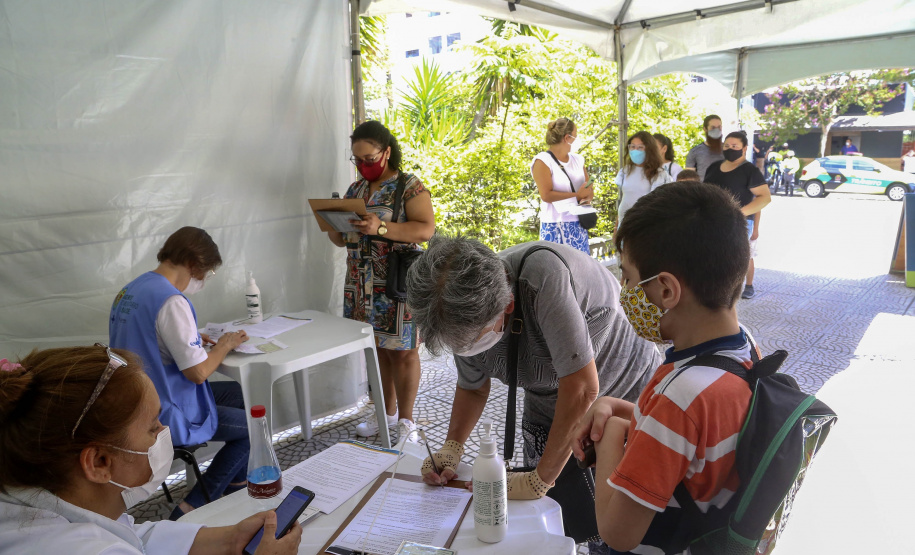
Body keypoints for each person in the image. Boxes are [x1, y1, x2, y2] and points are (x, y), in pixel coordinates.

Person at [571, 182, 756, 554]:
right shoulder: (744, 350)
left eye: (628, 277)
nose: (624, 289)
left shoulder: (679, 395)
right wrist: (613, 405)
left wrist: (613, 433)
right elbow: (694, 440)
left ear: (667, 291)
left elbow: (617, 532)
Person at [407, 236, 662, 503]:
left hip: (619, 378)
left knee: (610, 498)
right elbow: (473, 388)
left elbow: (582, 389)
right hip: (550, 387)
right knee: (554, 504)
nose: (470, 351)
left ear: (508, 304)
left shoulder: (545, 278)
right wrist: (452, 448)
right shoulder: (452, 305)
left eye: (475, 340)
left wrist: (538, 480)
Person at [0, 346, 301, 554]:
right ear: (100, 462)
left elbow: (135, 539)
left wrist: (231, 540)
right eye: (153, 426)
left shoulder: (38, 498)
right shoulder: (82, 549)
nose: (163, 433)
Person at [109, 226, 250, 520]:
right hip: (165, 408)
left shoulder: (132, 289)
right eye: (206, 274)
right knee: (253, 428)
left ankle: (236, 484)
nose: (202, 281)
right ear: (195, 265)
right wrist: (224, 345)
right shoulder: (172, 301)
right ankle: (191, 507)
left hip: (135, 398)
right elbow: (197, 373)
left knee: (241, 395)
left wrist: (194, 337)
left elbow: (148, 336)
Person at [326, 120, 435, 440]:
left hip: (396, 285)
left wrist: (382, 229)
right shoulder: (356, 190)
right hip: (360, 286)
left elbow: (425, 230)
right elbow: (340, 240)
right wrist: (334, 224)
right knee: (376, 351)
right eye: (357, 161)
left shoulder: (409, 185)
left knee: (403, 352)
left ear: (387, 152)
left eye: (369, 160)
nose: (363, 167)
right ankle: (384, 414)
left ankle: (406, 422)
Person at [704, 131, 772, 300]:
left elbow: (764, 197)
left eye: (734, 146)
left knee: (732, 260)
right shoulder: (713, 167)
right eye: (727, 146)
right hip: (712, 221)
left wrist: (738, 213)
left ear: (744, 148)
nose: (730, 149)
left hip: (738, 224)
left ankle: (733, 293)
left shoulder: (750, 170)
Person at [530, 117, 594, 253]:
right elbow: (546, 195)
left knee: (581, 269)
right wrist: (577, 195)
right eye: (575, 136)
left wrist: (587, 195)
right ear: (567, 138)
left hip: (579, 224)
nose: (576, 139)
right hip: (554, 225)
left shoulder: (578, 160)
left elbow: (588, 189)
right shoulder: (543, 161)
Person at [615, 131, 672, 236]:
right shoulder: (625, 171)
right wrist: (616, 230)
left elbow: (658, 204)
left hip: (646, 229)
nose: (635, 150)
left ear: (649, 149)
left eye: (640, 147)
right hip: (624, 227)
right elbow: (623, 199)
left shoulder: (659, 174)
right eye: (632, 147)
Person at [684, 114, 725, 180]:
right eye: (713, 128)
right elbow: (689, 180)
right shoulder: (695, 152)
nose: (717, 130)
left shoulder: (728, 150)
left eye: (719, 127)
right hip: (703, 189)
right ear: (705, 129)